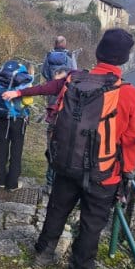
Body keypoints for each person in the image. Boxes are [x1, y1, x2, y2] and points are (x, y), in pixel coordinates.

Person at [2, 28, 135, 269]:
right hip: (104, 173)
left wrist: (19, 92)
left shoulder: (73, 79)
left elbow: (48, 87)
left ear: (98, 53)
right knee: (91, 224)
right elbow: (131, 140)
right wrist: (128, 173)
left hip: (68, 162)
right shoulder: (130, 94)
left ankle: (43, 255)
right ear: (123, 59)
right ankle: (79, 268)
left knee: (57, 210)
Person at [40, 35, 79, 191]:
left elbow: (43, 71)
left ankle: (49, 181)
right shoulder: (69, 57)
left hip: (52, 99)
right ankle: (58, 182)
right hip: (66, 103)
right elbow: (75, 75)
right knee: (63, 142)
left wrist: (52, 81)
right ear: (65, 44)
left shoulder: (49, 56)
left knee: (51, 140)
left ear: (55, 44)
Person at [0, 60, 34, 191]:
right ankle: (12, 183)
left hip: (2, 117)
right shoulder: (24, 80)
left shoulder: (2, 77)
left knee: (2, 148)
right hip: (18, 119)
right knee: (16, 150)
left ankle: (1, 180)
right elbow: (28, 100)